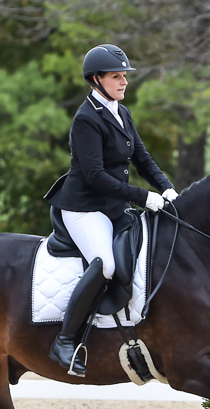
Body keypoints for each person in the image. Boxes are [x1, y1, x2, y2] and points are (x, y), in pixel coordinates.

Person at [44, 44, 179, 377]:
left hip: (113, 207)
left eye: (124, 77)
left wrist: (167, 187)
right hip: (84, 207)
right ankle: (64, 340)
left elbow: (142, 158)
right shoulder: (86, 119)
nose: (124, 82)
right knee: (104, 265)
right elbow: (95, 176)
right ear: (96, 79)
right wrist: (143, 197)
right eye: (116, 77)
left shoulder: (122, 111)